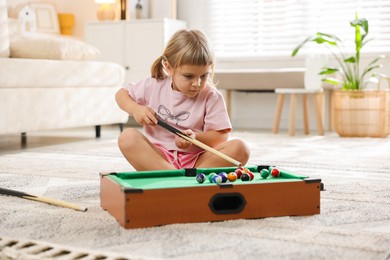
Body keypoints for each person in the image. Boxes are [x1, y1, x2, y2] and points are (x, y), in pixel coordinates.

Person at [115, 29, 250, 171]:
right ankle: (174, 176)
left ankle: (175, 179)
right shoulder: (153, 85)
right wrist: (136, 109)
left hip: (198, 160)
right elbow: (121, 94)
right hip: (159, 157)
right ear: (169, 68)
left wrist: (195, 138)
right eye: (189, 76)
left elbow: (220, 138)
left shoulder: (211, 96)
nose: (197, 83)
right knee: (127, 138)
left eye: (204, 76)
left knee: (241, 148)